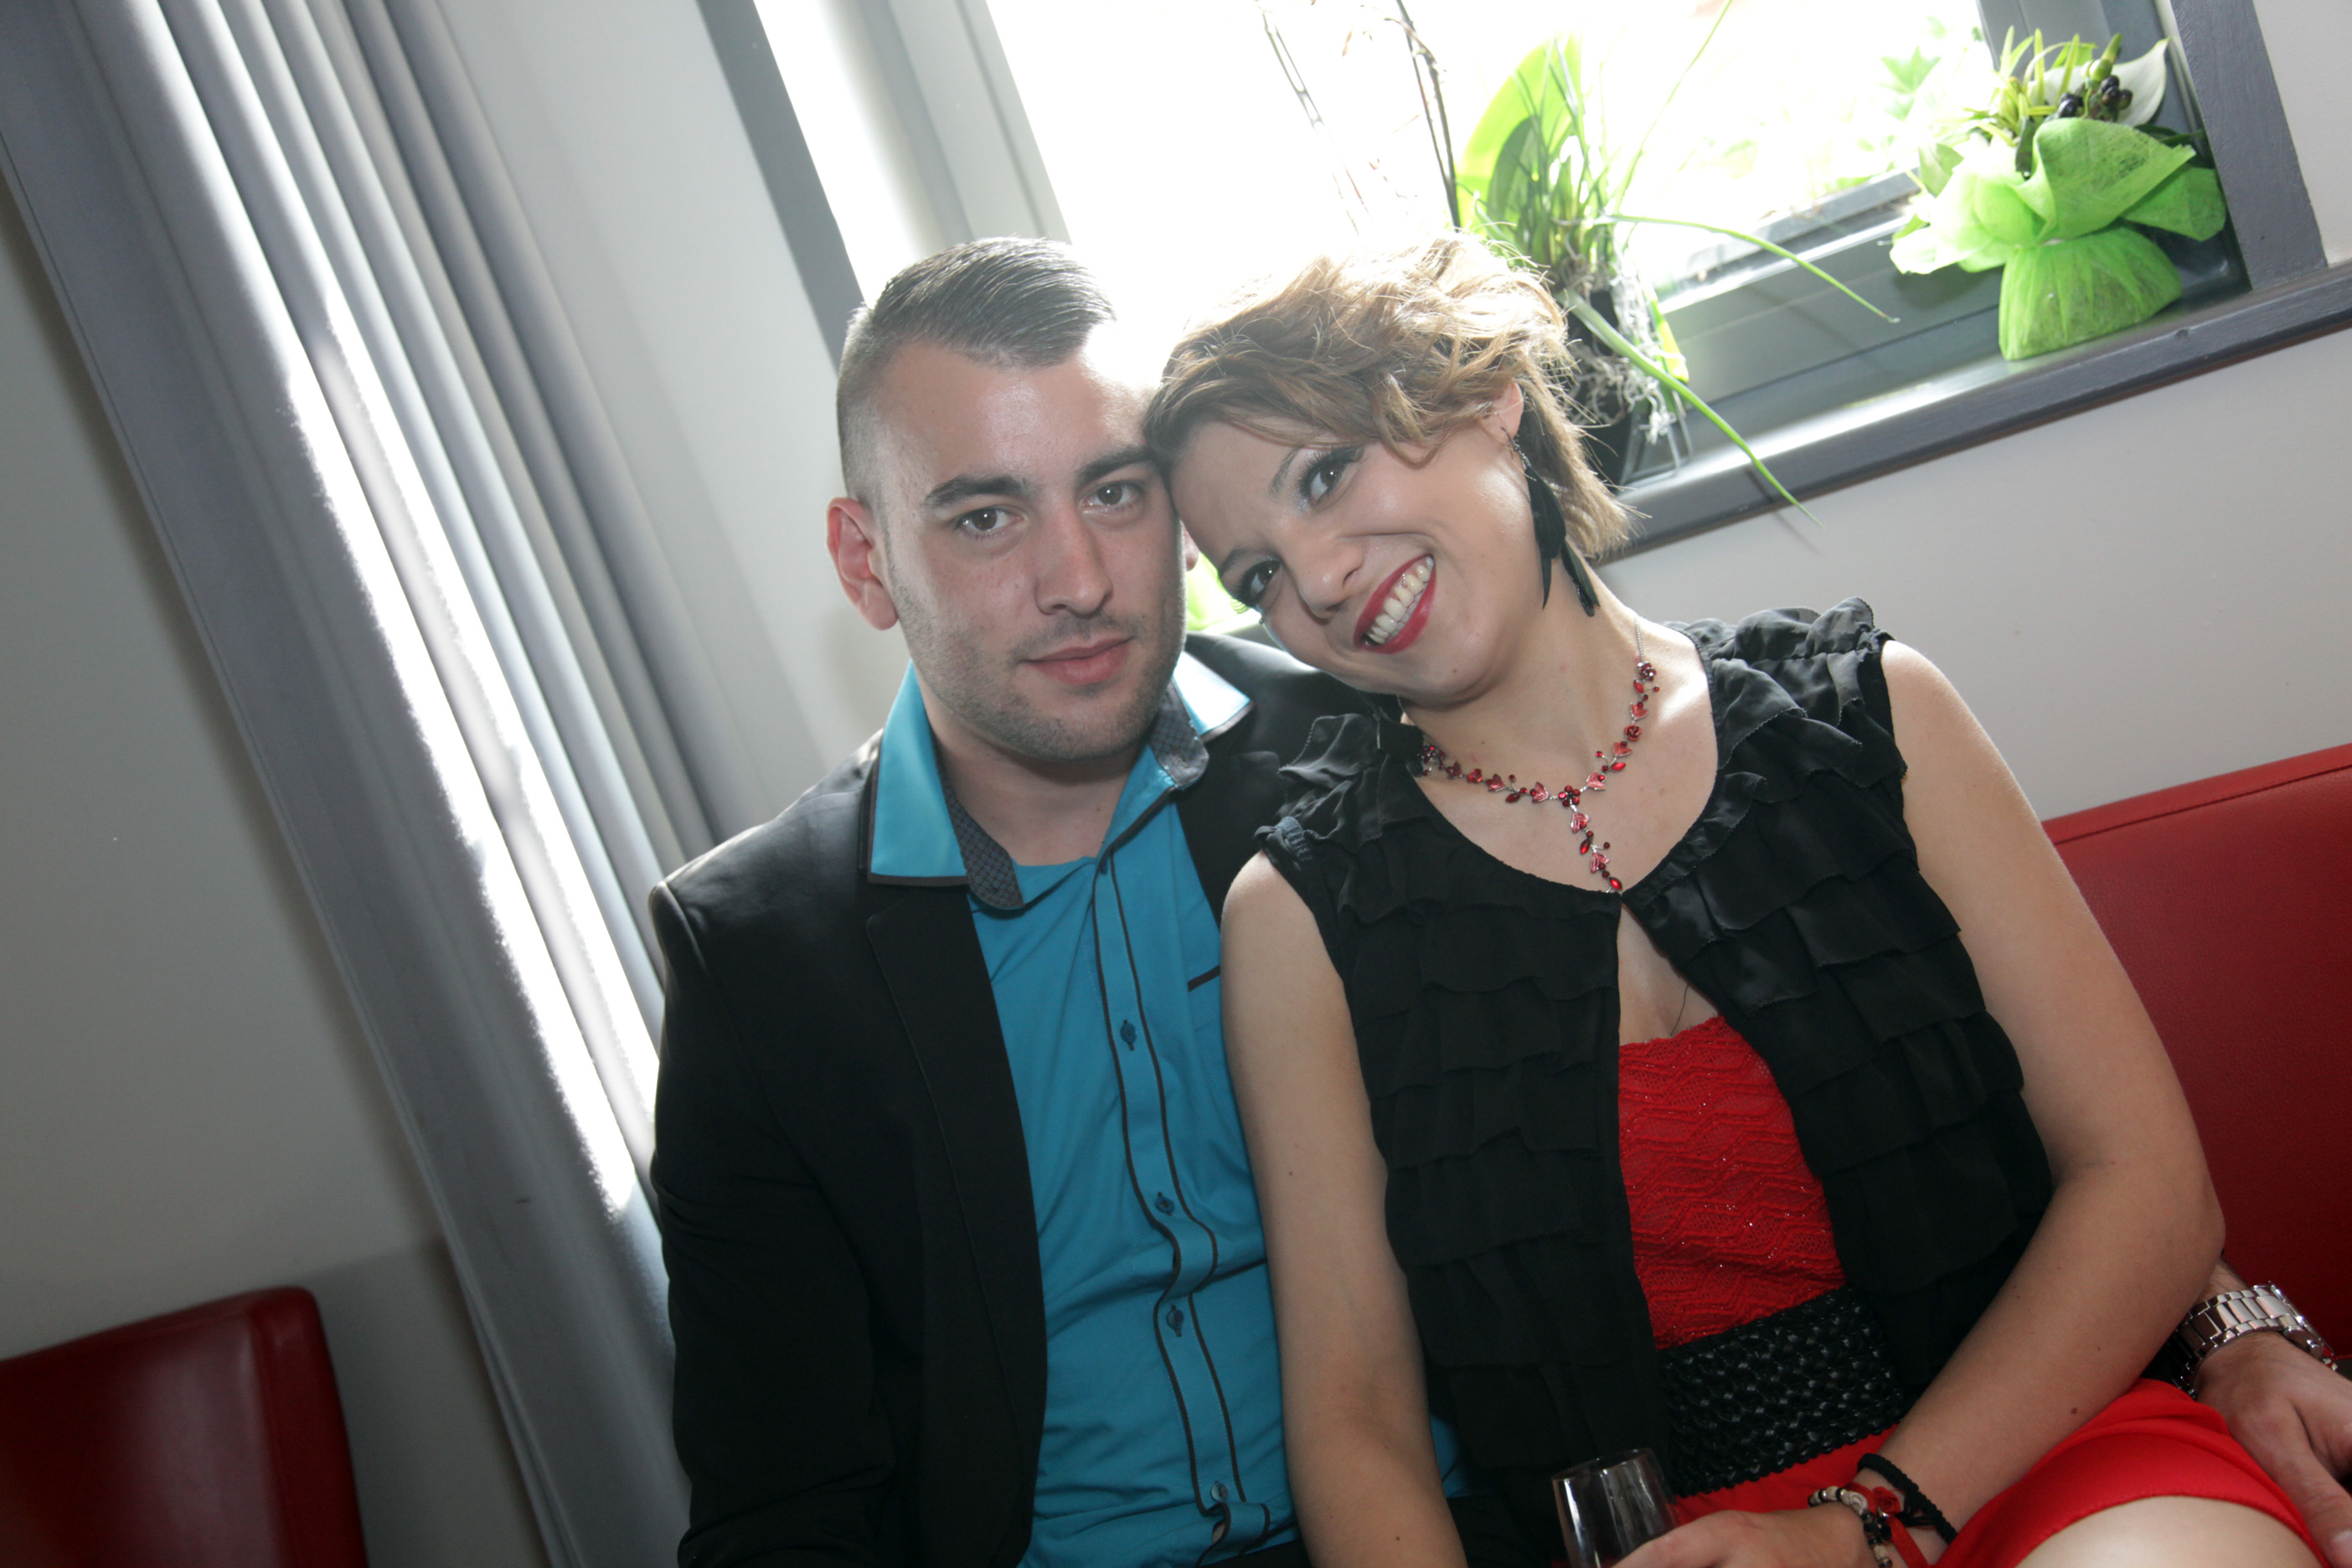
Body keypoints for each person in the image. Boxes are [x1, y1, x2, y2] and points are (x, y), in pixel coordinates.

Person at [1145, 232, 2349, 1568]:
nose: (1316, 582)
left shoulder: (1873, 712)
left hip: (2042, 1454)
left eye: (1325, 474)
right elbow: (1358, 1422)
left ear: (1484, 396)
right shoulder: (1299, 917)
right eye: (1256, 575)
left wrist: (1865, 1526)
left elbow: (2147, 1187)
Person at [646, 238, 1527, 1567]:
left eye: (1114, 492)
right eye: (985, 518)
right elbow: (784, 1504)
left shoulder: (1367, 743)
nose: (1079, 580)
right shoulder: (760, 959)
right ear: (865, 561)